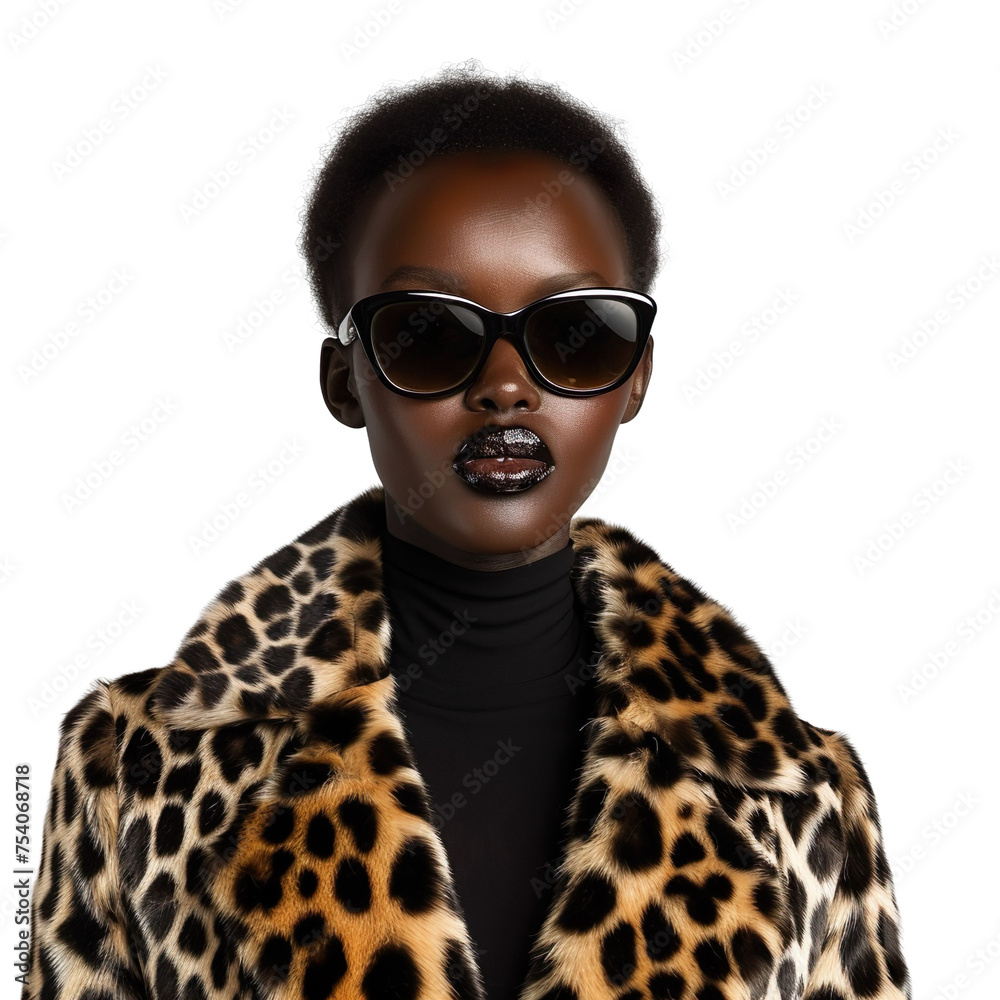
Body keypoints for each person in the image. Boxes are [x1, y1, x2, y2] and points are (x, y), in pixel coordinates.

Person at [20, 61, 911, 1000]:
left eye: (576, 333)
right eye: (429, 335)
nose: (506, 385)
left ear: (636, 376)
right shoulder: (130, 767)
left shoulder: (804, 796)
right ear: (345, 381)